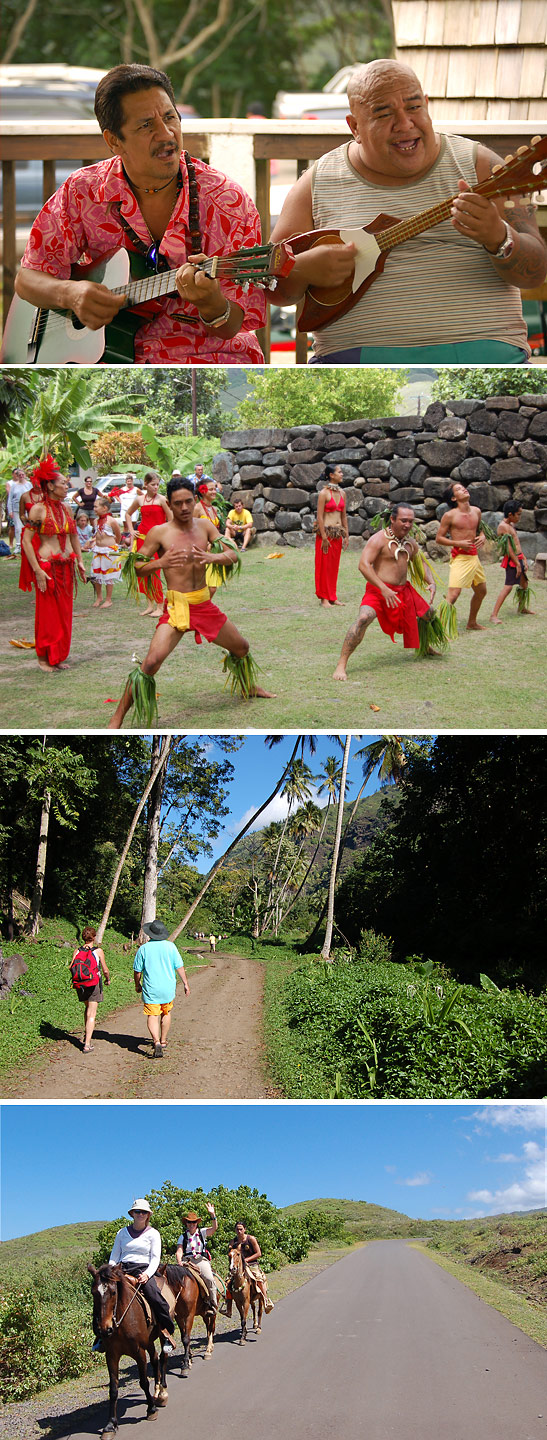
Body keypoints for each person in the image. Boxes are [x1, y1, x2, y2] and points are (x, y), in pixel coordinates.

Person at [269, 59, 547, 364]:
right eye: (383, 113)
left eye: (413, 107)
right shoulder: (316, 184)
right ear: (355, 127)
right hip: (357, 361)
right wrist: (301, 268)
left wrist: (499, 238)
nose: (404, 124)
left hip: (483, 352)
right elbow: (274, 290)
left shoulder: (481, 167)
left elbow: (536, 272)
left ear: (427, 106)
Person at [15, 64, 267, 365]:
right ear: (114, 141)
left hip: (207, 360)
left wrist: (213, 303)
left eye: (170, 117)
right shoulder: (82, 191)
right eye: (146, 125)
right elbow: (28, 278)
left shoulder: (228, 202)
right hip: (105, 362)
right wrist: (70, 294)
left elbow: (233, 325)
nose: (166, 133)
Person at [107, 476, 274, 727]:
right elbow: (137, 566)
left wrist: (213, 557)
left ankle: (248, 687)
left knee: (241, 648)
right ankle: (116, 719)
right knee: (150, 663)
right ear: (170, 505)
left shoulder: (205, 527)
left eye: (188, 501)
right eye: (178, 503)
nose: (184, 508)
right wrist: (159, 563)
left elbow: (231, 553)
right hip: (177, 607)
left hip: (203, 605)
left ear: (194, 500)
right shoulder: (159, 533)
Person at [333, 503, 440, 680]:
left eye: (411, 521)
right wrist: (383, 589)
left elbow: (421, 562)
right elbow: (363, 565)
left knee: (428, 614)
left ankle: (424, 646)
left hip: (403, 590)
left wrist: (431, 581)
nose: (407, 525)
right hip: (378, 590)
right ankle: (341, 664)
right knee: (363, 618)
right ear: (392, 519)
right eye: (403, 520)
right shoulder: (378, 539)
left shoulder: (410, 542)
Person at [20, 456, 86, 671]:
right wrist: (37, 569)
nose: (67, 486)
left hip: (66, 566)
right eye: (63, 483)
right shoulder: (38, 509)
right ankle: (43, 659)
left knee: (64, 613)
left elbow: (74, 537)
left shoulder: (66, 509)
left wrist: (81, 562)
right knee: (48, 614)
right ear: (49, 485)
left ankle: (57, 656)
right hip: (48, 568)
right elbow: (26, 541)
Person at [94, 1198, 175, 1354]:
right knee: (101, 1296)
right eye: (137, 1211)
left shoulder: (153, 1234)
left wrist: (147, 1274)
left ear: (148, 1215)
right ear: (132, 1214)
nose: (140, 1214)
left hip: (143, 1269)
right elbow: (114, 1256)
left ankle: (165, 1331)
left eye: (144, 1212)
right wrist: (110, 1272)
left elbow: (155, 1258)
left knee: (155, 1296)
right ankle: (100, 1336)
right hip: (121, 1269)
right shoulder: (122, 1233)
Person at [133, 918, 190, 1058]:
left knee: (153, 1015)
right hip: (168, 988)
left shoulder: (143, 949)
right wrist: (185, 983)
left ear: (150, 934)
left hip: (151, 988)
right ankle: (163, 1040)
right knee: (166, 1013)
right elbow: (179, 966)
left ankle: (156, 1041)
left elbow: (137, 971)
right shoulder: (171, 947)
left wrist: (137, 984)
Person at [435, 481, 487, 630]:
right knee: (453, 594)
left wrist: (482, 536)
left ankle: (472, 623)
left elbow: (481, 529)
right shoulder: (450, 515)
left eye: (463, 487)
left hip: (474, 557)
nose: (463, 489)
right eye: (459, 489)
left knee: (481, 591)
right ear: (453, 498)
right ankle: (440, 629)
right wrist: (458, 543)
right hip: (460, 558)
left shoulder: (476, 511)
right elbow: (439, 538)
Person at [125, 471, 172, 617]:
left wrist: (165, 535)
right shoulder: (139, 499)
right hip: (142, 538)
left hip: (157, 540)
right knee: (142, 571)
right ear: (145, 485)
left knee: (155, 570)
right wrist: (132, 530)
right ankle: (149, 605)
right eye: (153, 485)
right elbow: (128, 513)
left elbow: (170, 519)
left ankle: (160, 605)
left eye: (157, 484)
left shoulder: (162, 499)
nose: (156, 487)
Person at [490, 499, 533, 623]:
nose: (520, 517)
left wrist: (523, 558)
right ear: (510, 514)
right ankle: (493, 615)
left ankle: (522, 607)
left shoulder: (511, 525)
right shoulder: (503, 527)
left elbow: (517, 544)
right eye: (518, 514)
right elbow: (509, 548)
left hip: (518, 558)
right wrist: (517, 564)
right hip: (512, 560)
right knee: (508, 587)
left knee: (524, 584)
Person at [70, 924, 110, 1053]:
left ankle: (87, 1034)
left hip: (80, 984)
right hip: (93, 984)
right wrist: (107, 978)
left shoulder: (77, 951)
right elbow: (105, 969)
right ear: (94, 937)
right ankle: (87, 1044)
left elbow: (71, 967)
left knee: (87, 1008)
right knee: (91, 1014)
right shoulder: (98, 951)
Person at [175, 1203, 218, 1317]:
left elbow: (214, 1229)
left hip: (200, 1260)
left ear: (197, 1223)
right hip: (187, 1260)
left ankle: (213, 1304)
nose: (192, 1224)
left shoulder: (202, 1232)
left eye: (194, 1222)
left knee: (209, 1278)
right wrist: (179, 1261)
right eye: (189, 1222)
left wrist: (212, 1215)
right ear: (187, 1224)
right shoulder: (183, 1236)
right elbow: (179, 1250)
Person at [315, 463, 349, 606]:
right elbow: (320, 517)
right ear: (331, 475)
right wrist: (323, 537)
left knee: (334, 567)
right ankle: (324, 598)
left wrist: (346, 534)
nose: (342, 474)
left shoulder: (343, 493)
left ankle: (332, 596)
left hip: (337, 534)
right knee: (324, 566)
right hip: (326, 534)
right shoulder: (324, 494)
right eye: (339, 472)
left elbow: (344, 516)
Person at [226, 1221, 274, 1317]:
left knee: (259, 1279)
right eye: (237, 1229)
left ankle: (265, 1300)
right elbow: (230, 1255)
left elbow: (258, 1253)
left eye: (241, 1229)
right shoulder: (233, 1242)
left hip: (252, 1264)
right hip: (238, 1267)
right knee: (228, 1283)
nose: (239, 1231)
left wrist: (246, 1260)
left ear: (245, 1229)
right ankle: (228, 1308)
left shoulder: (251, 1239)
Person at [90, 495, 123, 607]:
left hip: (108, 551)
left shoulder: (111, 521)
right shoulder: (95, 521)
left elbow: (118, 535)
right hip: (97, 550)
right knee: (96, 575)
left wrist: (114, 546)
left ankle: (108, 599)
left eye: (96, 507)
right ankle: (99, 597)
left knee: (108, 575)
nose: (94, 509)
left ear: (104, 508)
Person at [7, 468, 31, 554]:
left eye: (22, 475)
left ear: (25, 475)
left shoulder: (29, 484)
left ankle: (28, 544)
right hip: (16, 508)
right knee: (18, 528)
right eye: (19, 475)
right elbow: (10, 499)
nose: (21, 476)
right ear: (17, 476)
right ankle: (18, 545)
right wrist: (10, 511)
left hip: (28, 509)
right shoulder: (14, 485)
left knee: (28, 527)